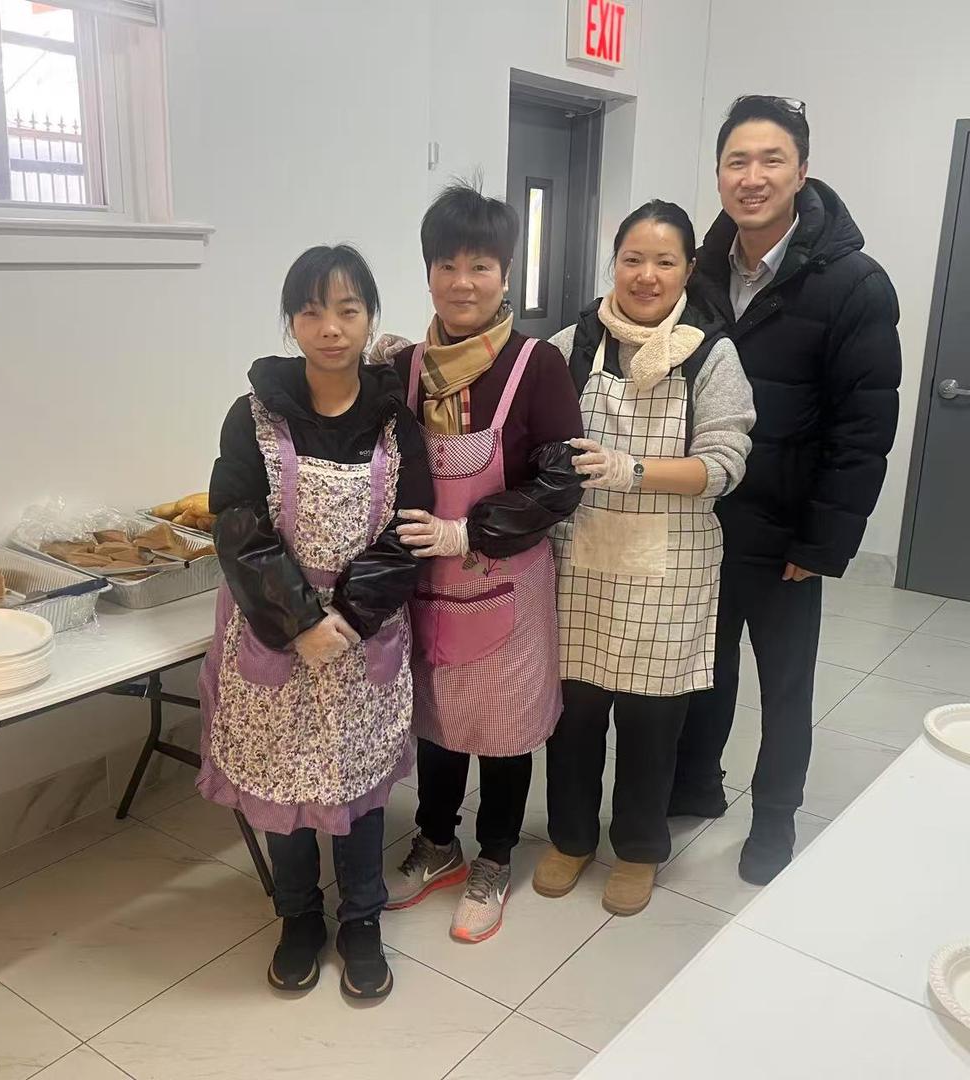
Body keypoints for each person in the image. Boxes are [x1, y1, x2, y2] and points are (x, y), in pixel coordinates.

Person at [672, 95, 901, 885]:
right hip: (701, 519)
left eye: (771, 160)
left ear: (802, 171)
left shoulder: (854, 284)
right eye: (737, 161)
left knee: (785, 685)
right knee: (704, 668)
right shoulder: (698, 271)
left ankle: (774, 818)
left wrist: (823, 541)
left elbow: (864, 428)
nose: (753, 176)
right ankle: (696, 784)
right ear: (718, 174)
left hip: (787, 531)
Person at [197, 244, 434, 1000]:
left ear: (369, 318)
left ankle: (361, 919)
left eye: (347, 310)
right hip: (274, 632)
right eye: (311, 311)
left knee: (358, 788)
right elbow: (237, 523)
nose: (331, 328)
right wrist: (300, 621)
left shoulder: (396, 421)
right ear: (292, 322)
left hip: (365, 633)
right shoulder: (253, 415)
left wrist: (351, 616)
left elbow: (410, 531)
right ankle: (298, 917)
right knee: (283, 788)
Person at [532, 200, 755, 915]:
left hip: (671, 571)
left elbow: (723, 465)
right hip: (581, 564)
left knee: (651, 726)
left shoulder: (711, 354)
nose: (646, 275)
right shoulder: (572, 346)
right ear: (614, 264)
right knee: (573, 720)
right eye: (633, 259)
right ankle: (570, 839)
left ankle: (637, 849)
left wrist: (631, 469)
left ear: (688, 270)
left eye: (664, 261)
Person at [384, 181, 584, 943]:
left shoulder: (538, 365)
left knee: (504, 726)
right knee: (437, 717)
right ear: (428, 272)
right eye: (447, 265)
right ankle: (437, 841)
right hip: (427, 584)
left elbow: (560, 482)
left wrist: (469, 534)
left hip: (506, 575)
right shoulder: (403, 369)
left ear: (506, 275)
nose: (462, 283)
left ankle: (495, 856)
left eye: (481, 266)